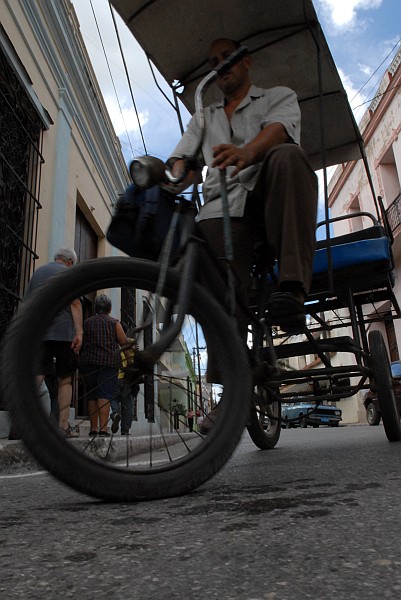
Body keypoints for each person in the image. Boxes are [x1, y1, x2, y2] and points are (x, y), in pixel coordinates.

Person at [167, 38, 318, 337]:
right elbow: (182, 160)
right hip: (221, 207)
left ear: (245, 61)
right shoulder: (203, 117)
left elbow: (279, 131)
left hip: (269, 196)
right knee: (210, 272)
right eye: (214, 63)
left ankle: (292, 289)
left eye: (227, 58)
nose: (221, 67)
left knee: (288, 155)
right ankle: (231, 368)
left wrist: (247, 153)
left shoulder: (278, 96)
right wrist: (172, 174)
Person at [25, 247, 83, 436]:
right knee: (65, 379)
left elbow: (28, 304)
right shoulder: (69, 273)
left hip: (39, 333)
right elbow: (75, 303)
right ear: (70, 262)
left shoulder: (38, 273)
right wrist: (79, 332)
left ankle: (23, 422)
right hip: (63, 333)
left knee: (37, 375)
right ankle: (63, 426)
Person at [79, 294, 128, 437]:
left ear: (95, 308)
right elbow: (123, 341)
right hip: (108, 363)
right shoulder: (114, 323)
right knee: (104, 395)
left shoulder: (87, 322)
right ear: (109, 308)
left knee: (92, 396)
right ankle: (103, 429)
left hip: (89, 362)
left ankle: (93, 428)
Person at [110, 323, 140, 436]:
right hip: (127, 379)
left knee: (113, 398)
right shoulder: (131, 343)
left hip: (113, 377)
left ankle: (115, 414)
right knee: (128, 404)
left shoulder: (112, 342)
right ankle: (125, 429)